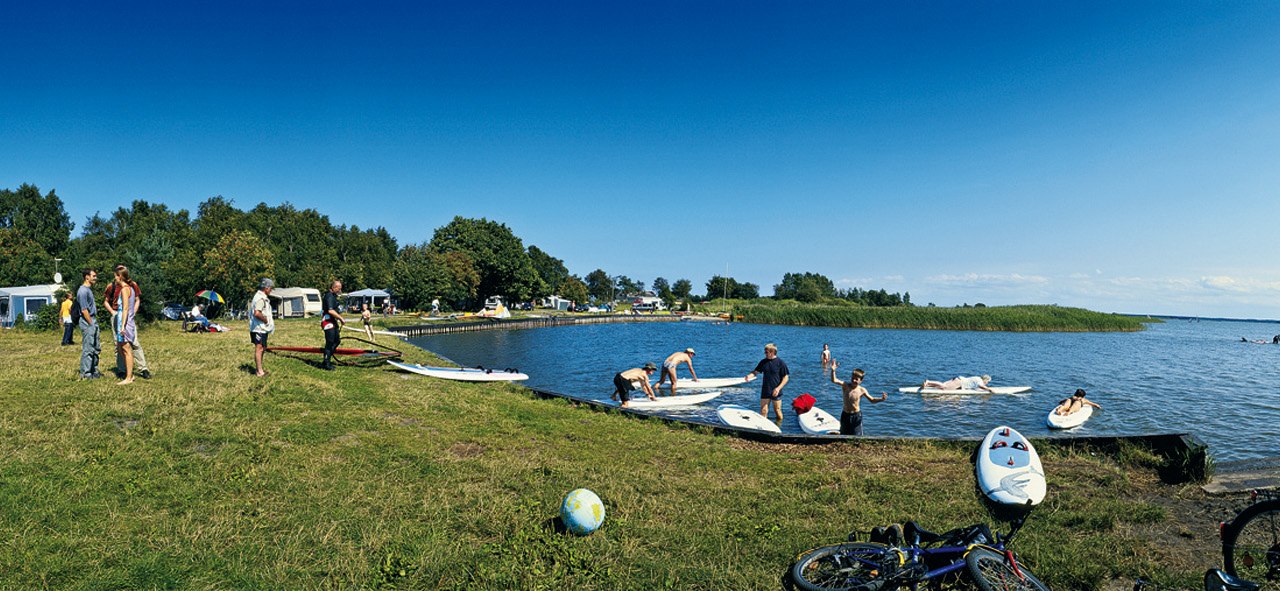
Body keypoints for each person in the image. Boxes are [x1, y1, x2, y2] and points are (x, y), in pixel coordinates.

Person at [103, 265, 151, 379]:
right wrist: (113, 313)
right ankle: (122, 369)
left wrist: (132, 312)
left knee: (134, 343)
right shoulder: (112, 286)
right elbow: (105, 301)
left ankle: (143, 368)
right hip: (117, 315)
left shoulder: (131, 285)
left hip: (126, 317)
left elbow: (137, 300)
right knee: (118, 344)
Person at [829, 360, 888, 435]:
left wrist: (881, 399)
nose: (854, 380)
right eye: (852, 378)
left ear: (861, 380)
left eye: (856, 379)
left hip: (856, 415)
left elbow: (872, 400)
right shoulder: (845, 385)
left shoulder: (862, 390)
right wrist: (833, 370)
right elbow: (834, 380)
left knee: (857, 435)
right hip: (845, 414)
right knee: (843, 434)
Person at [745, 343, 790, 422]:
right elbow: (755, 372)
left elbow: (786, 378)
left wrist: (778, 388)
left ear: (772, 352)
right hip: (766, 389)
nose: (765, 353)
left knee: (777, 411)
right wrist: (749, 376)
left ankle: (779, 426)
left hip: (776, 390)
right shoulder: (763, 362)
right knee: (763, 411)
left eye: (766, 352)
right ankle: (763, 428)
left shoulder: (780, 363)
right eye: (765, 352)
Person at [111, 268, 137, 385]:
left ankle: (129, 377)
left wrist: (122, 326)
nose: (114, 279)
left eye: (115, 276)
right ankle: (129, 374)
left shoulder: (125, 289)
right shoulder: (129, 288)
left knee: (126, 349)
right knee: (122, 348)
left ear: (120, 277)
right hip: (125, 321)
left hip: (125, 323)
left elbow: (125, 308)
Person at [76, 268, 103, 380]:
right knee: (88, 348)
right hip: (88, 321)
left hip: (93, 320)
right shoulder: (82, 291)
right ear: (87, 277)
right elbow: (84, 310)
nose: (95, 278)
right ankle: (86, 374)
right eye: (93, 276)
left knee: (96, 348)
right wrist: (91, 323)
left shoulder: (89, 290)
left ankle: (94, 370)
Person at [250, 278, 275, 377]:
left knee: (263, 347)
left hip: (262, 328)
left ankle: (260, 369)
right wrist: (265, 320)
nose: (271, 290)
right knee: (259, 348)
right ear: (266, 288)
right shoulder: (260, 298)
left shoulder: (261, 297)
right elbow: (257, 313)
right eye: (270, 288)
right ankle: (259, 372)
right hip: (258, 328)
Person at [320, 280, 345, 370]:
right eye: (339, 288)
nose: (340, 290)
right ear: (334, 287)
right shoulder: (329, 296)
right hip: (328, 321)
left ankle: (327, 358)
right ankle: (326, 363)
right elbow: (330, 311)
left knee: (337, 341)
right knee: (330, 342)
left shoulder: (333, 297)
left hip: (332, 321)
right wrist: (341, 318)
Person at [920, 374, 993, 392]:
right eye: (988, 381)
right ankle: (928, 381)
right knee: (944, 387)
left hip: (958, 379)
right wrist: (990, 390)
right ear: (985, 380)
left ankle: (927, 385)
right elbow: (981, 386)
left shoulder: (977, 378)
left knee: (942, 387)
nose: (987, 383)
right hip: (959, 382)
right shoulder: (980, 380)